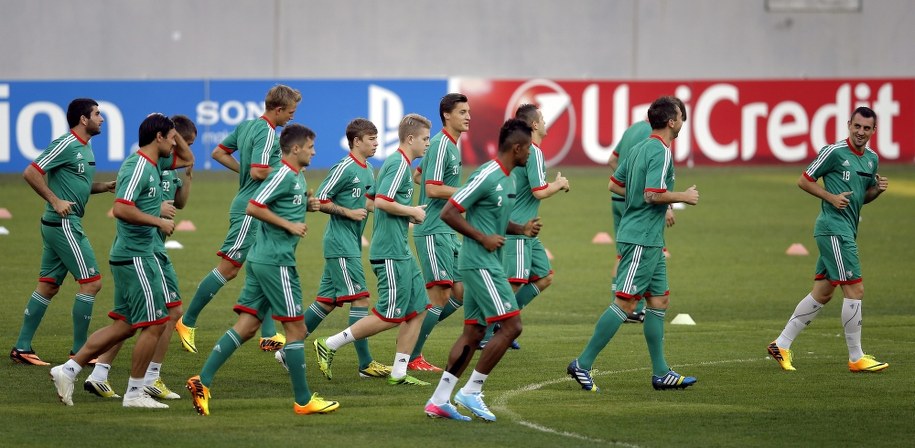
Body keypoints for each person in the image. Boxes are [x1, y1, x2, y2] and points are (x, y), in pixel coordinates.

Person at [186, 124, 339, 416]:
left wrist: (306, 206)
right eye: (310, 146)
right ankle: (304, 400)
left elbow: (279, 203)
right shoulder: (281, 173)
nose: (314, 151)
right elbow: (254, 207)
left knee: (246, 327)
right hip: (275, 262)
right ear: (295, 149)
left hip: (264, 260)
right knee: (296, 329)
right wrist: (290, 224)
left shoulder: (295, 176)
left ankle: (201, 381)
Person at [567, 96, 699, 392]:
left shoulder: (640, 147)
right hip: (641, 238)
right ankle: (583, 363)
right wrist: (682, 197)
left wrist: (640, 196)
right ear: (671, 121)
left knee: (658, 301)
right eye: (680, 116)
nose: (682, 121)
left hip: (649, 238)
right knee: (625, 302)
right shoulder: (661, 151)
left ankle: (661, 372)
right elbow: (653, 195)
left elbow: (614, 183)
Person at [49, 113, 179, 408]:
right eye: (171, 137)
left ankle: (68, 370)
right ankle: (135, 394)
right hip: (136, 256)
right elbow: (121, 208)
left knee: (125, 325)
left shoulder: (147, 166)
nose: (175, 143)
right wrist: (157, 221)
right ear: (158, 137)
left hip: (131, 255)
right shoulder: (139, 166)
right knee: (157, 322)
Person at [423, 118, 543, 422]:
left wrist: (520, 228)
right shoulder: (488, 174)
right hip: (479, 263)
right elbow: (450, 211)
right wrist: (482, 238)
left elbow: (495, 220)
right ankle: (472, 391)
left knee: (475, 332)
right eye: (528, 147)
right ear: (516, 148)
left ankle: (439, 400)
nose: (531, 152)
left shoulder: (511, 179)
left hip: (487, 262)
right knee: (512, 327)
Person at [177, 85, 302, 354]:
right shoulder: (268, 133)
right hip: (250, 209)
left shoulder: (247, 125)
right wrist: (287, 175)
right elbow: (258, 173)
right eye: (290, 112)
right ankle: (186, 321)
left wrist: (243, 170)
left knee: (264, 264)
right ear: (278, 110)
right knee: (230, 267)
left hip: (256, 205)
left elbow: (218, 153)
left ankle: (268, 334)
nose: (292, 117)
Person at [313, 114, 433, 386]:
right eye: (425, 139)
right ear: (411, 138)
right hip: (389, 252)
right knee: (390, 315)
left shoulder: (397, 164)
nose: (428, 144)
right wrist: (411, 210)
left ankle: (399, 373)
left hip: (401, 249)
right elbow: (382, 201)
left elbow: (370, 200)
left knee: (418, 309)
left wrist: (408, 215)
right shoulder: (398, 166)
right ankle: (329, 343)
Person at [767, 106, 889, 373]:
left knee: (823, 292)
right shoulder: (833, 152)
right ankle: (856, 357)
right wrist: (830, 197)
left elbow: (860, 198)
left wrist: (876, 192)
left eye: (866, 128)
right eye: (857, 126)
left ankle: (781, 344)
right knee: (855, 289)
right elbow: (803, 180)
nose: (860, 132)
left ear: (873, 131)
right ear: (849, 124)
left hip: (846, 229)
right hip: (833, 229)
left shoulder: (871, 159)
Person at [82, 115, 196, 400]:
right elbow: (124, 207)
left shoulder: (166, 167)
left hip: (150, 248)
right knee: (162, 316)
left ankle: (91, 372)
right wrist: (157, 217)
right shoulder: (147, 165)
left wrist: (188, 173)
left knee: (131, 319)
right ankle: (146, 380)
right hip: (144, 251)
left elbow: (182, 193)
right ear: (164, 138)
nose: (181, 147)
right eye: (178, 139)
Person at [11, 98, 114, 366]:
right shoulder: (66, 144)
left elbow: (78, 184)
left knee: (48, 286)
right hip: (64, 224)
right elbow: (31, 172)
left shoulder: (85, 147)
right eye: (97, 114)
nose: (101, 119)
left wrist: (104, 186)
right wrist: (54, 200)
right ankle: (80, 351)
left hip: (59, 224)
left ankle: (22, 348)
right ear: (83, 119)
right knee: (91, 283)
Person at [289, 118, 391, 379]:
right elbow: (319, 200)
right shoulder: (344, 167)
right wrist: (347, 211)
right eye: (371, 139)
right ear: (356, 141)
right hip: (340, 244)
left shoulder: (368, 168)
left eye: (377, 139)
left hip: (351, 244)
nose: (376, 144)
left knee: (326, 302)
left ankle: (286, 352)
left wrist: (401, 213)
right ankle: (365, 364)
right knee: (361, 298)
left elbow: (367, 204)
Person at [482, 104, 570, 349]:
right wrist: (559, 183)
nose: (545, 122)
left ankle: (503, 323)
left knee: (544, 276)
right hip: (518, 229)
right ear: (534, 125)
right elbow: (539, 192)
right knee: (513, 282)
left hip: (527, 230)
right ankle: (487, 330)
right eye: (542, 118)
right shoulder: (534, 151)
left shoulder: (529, 151)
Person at [409, 93, 471, 371]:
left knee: (460, 291)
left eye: (469, 111)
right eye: (462, 112)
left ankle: (414, 329)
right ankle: (412, 356)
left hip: (446, 229)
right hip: (433, 231)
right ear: (447, 115)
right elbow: (432, 188)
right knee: (440, 296)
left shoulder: (450, 146)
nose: (468, 116)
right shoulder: (441, 145)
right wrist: (465, 193)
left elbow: (419, 175)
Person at [607, 111, 679, 323]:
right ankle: (631, 307)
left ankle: (619, 302)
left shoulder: (631, 129)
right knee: (648, 248)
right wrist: (665, 205)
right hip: (643, 204)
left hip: (619, 197)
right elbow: (654, 185)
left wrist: (630, 183)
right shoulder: (656, 139)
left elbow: (612, 160)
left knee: (622, 253)